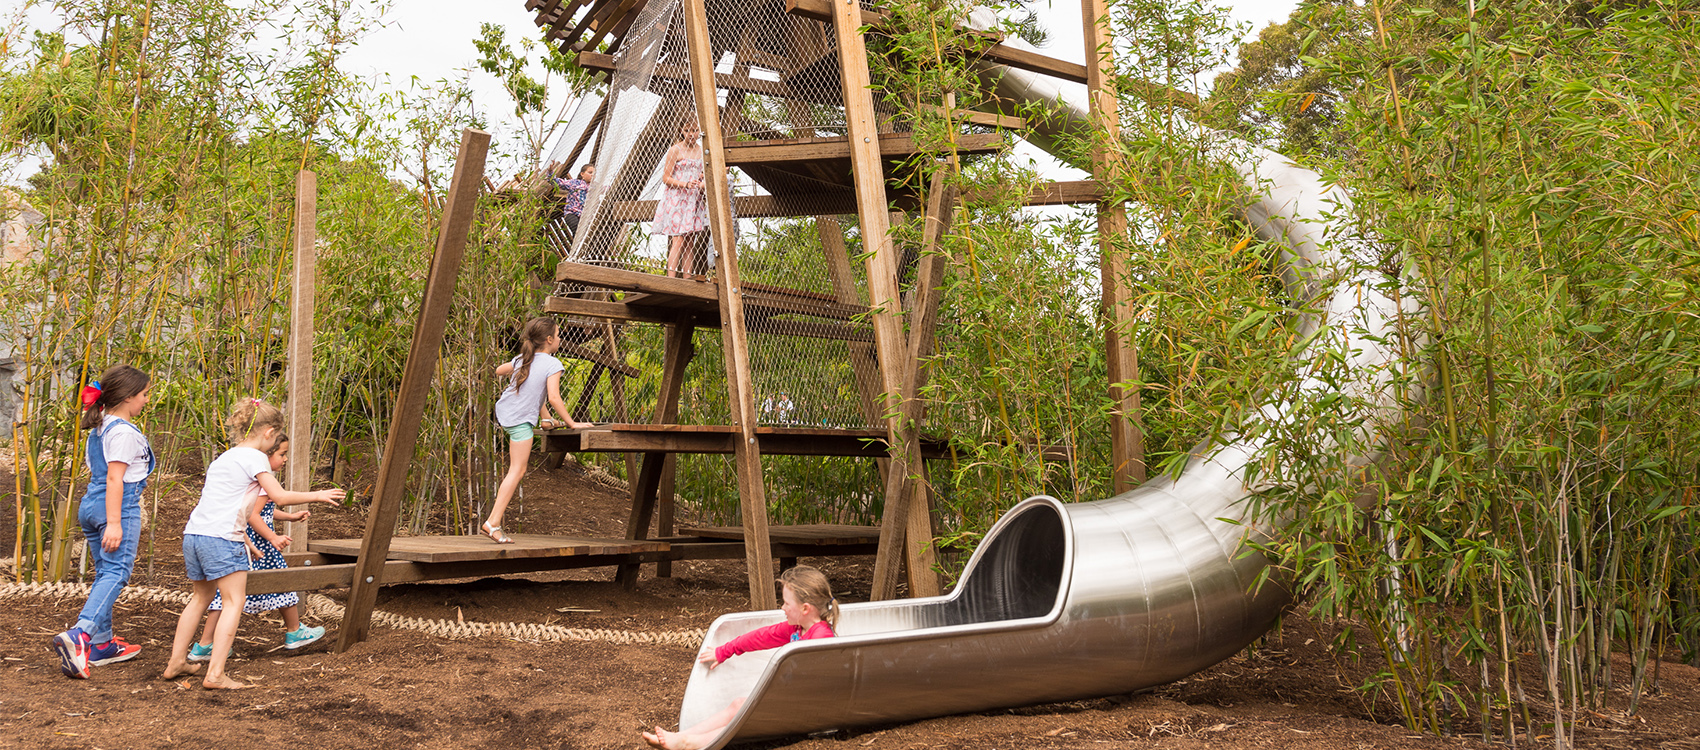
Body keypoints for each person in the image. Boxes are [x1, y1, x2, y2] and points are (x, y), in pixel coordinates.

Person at [161, 398, 346, 690]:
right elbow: (279, 496)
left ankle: (176, 662)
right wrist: (318, 494)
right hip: (222, 539)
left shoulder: (225, 457)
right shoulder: (256, 458)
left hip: (195, 534)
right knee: (235, 602)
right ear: (270, 432)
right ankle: (216, 674)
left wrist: (249, 541)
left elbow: (236, 508)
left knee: (200, 599)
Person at [642, 566, 840, 750]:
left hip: (804, 709)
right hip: (790, 701)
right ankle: (681, 735)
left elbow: (818, 683)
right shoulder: (798, 627)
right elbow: (762, 637)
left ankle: (689, 743)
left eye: (787, 603)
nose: (782, 607)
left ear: (805, 609)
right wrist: (725, 650)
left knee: (746, 716)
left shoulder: (820, 637)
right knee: (739, 704)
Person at [189, 433, 338, 661]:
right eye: (281, 454)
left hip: (243, 542)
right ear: (266, 455)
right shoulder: (261, 480)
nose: (285, 459)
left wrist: (288, 518)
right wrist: (272, 537)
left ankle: (205, 644)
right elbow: (253, 516)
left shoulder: (254, 479)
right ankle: (294, 631)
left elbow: (266, 511)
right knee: (281, 582)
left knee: (225, 596)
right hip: (255, 545)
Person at [48, 365, 155, 679]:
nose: (147, 401)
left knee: (105, 572)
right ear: (126, 397)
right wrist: (115, 522)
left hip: (90, 503)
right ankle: (80, 635)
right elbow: (115, 478)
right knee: (118, 571)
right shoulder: (122, 431)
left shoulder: (101, 426)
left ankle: (102, 644)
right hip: (116, 504)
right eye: (144, 394)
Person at [484, 317, 592, 544]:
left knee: (517, 468)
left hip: (508, 413)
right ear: (550, 340)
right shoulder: (553, 364)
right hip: (520, 419)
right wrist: (572, 423)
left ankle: (545, 420)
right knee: (517, 470)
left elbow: (498, 370)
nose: (561, 339)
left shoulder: (525, 358)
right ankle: (493, 523)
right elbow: (553, 397)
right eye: (559, 335)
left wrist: (545, 417)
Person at [655, 116, 709, 280]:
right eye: (687, 130)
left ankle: (687, 278)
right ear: (681, 131)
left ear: (699, 131)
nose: (691, 134)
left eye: (695, 130)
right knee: (677, 239)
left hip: (693, 199)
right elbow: (666, 178)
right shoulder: (675, 150)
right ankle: (670, 278)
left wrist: (701, 181)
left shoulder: (702, 150)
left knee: (689, 241)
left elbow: (704, 172)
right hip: (677, 197)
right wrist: (685, 184)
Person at [553, 163, 595, 236]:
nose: (592, 175)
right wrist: (550, 173)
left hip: (585, 215)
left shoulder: (595, 186)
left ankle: (578, 246)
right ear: (582, 174)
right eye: (590, 172)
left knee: (586, 233)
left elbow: (606, 189)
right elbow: (559, 182)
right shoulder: (575, 183)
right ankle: (576, 246)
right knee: (576, 229)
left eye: (594, 173)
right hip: (571, 212)